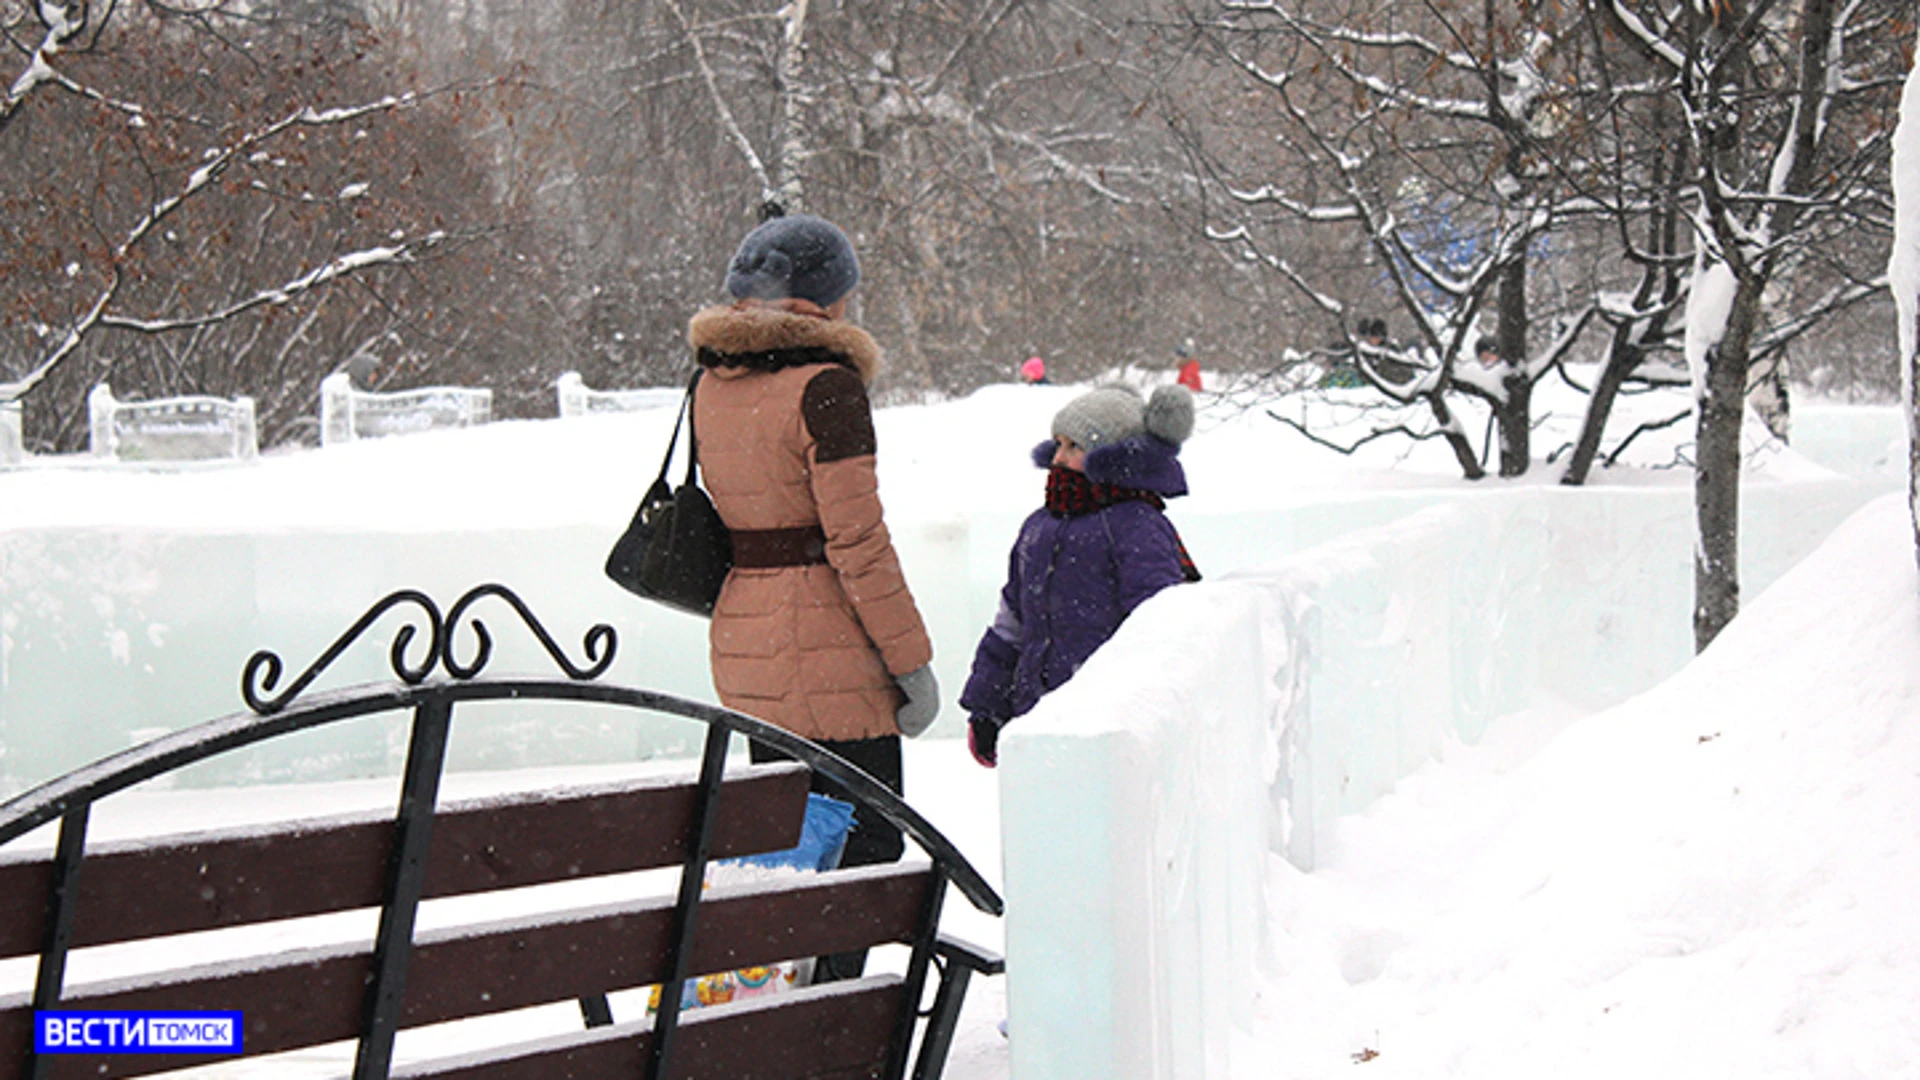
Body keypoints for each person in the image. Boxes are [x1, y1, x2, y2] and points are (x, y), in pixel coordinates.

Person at [687, 210, 940, 980]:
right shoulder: (827, 389)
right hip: (830, 647)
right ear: (825, 300)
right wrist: (912, 663)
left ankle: (782, 1006)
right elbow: (856, 541)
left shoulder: (711, 382)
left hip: (747, 642)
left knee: (792, 841)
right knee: (867, 842)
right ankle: (827, 1021)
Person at [961, 383, 1201, 766]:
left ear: (1113, 457)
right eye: (1058, 443)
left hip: (1106, 730)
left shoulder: (1138, 526)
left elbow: (1158, 632)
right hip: (1033, 718)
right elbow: (1012, 621)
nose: (1058, 457)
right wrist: (987, 705)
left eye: (1075, 447)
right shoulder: (1038, 526)